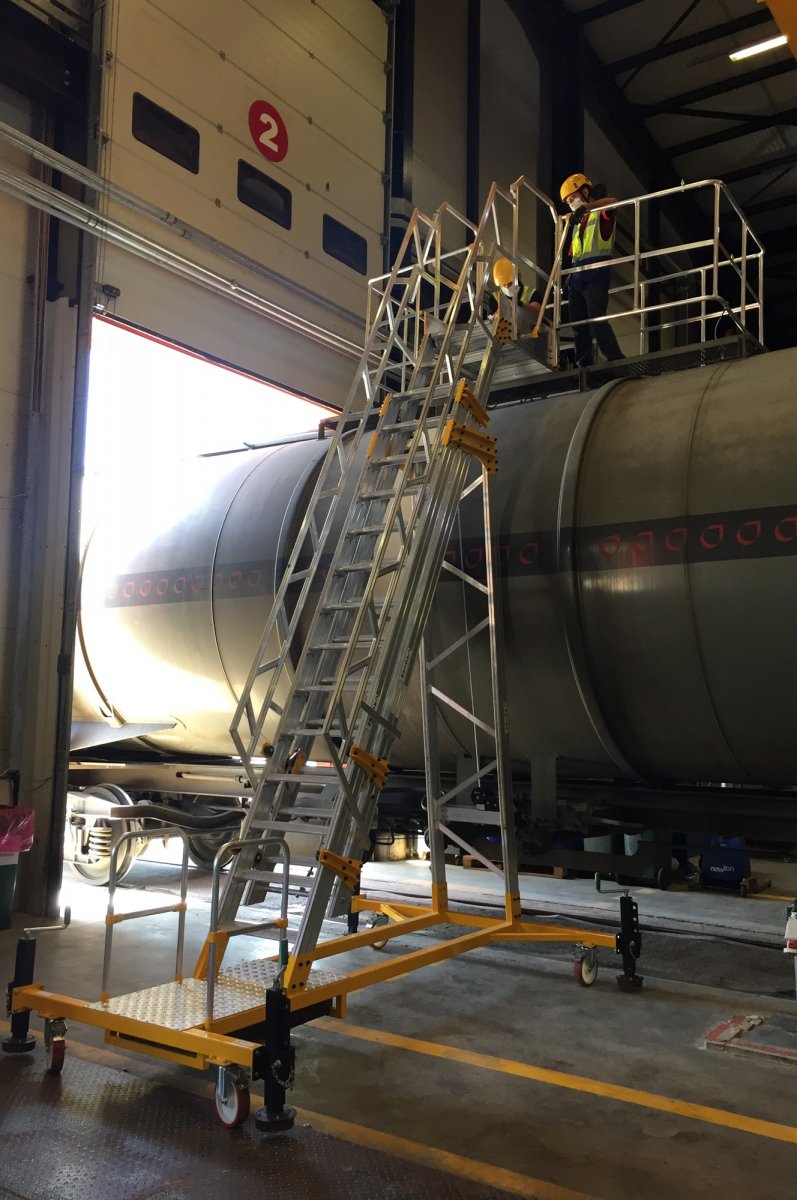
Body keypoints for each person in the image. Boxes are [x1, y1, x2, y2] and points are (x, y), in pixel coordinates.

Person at [560, 173, 624, 368]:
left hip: (596, 272)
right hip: (577, 276)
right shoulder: (576, 223)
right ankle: (583, 364)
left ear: (585, 192)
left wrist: (586, 207)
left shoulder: (600, 215)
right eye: (568, 201)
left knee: (597, 319)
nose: (571, 203)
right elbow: (574, 254)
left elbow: (613, 202)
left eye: (573, 197)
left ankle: (616, 359)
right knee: (578, 323)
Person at [488, 257, 543, 343]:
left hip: (530, 339)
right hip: (505, 339)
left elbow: (536, 312)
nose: (507, 287)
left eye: (510, 283)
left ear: (518, 277)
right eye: (503, 285)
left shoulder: (532, 293)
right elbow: (492, 323)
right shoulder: (494, 298)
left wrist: (519, 305)